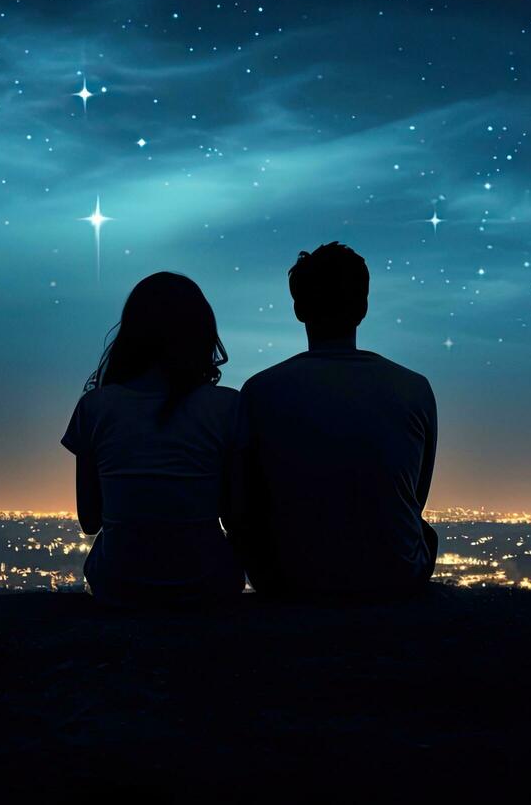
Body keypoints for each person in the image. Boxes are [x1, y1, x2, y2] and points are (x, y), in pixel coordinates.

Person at [238, 242, 438, 597]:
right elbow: (414, 498)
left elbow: (248, 499)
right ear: (362, 308)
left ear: (299, 309)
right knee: (427, 535)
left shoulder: (259, 391)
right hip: (393, 577)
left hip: (286, 580)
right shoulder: (415, 389)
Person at [61, 272, 244, 605]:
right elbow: (236, 515)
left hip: (119, 587)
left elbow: (89, 519)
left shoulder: (95, 408)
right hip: (209, 586)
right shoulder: (228, 407)